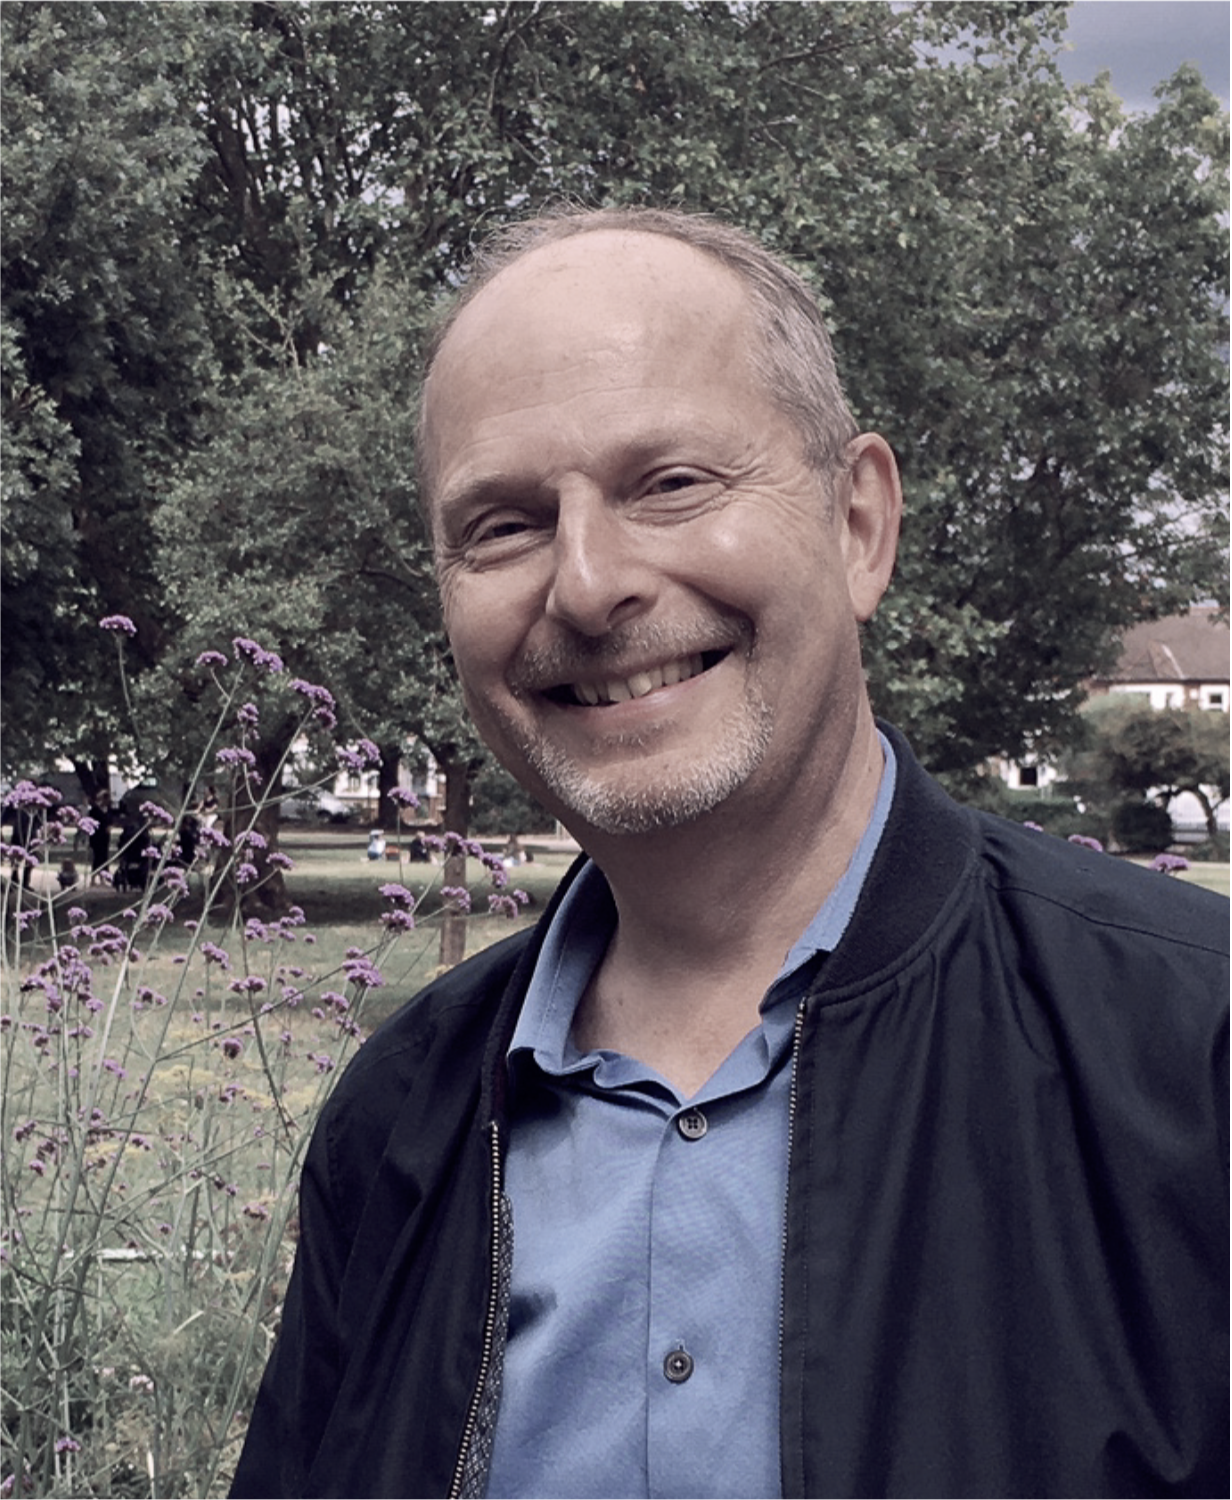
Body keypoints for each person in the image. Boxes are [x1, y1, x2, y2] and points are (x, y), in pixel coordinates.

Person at [231, 208, 1228, 1500]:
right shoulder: (397, 1121)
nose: (587, 584)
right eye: (505, 525)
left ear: (859, 525)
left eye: (671, 484)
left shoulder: (1192, 1054)